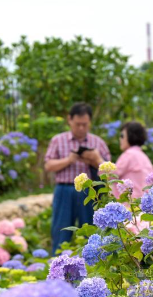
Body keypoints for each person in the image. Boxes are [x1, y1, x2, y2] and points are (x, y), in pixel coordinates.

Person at [44, 102, 111, 254]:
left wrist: (95, 159)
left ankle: (92, 266)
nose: (81, 128)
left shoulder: (97, 142)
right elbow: (48, 165)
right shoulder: (58, 140)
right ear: (69, 120)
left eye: (85, 125)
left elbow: (109, 170)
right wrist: (69, 160)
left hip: (90, 192)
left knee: (91, 231)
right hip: (64, 190)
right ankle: (57, 264)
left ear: (90, 122)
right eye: (78, 124)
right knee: (61, 230)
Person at [114, 121, 153, 199]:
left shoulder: (129, 154)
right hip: (144, 204)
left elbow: (112, 175)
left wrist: (98, 161)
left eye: (122, 136)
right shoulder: (144, 156)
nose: (120, 139)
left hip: (130, 205)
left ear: (131, 136)